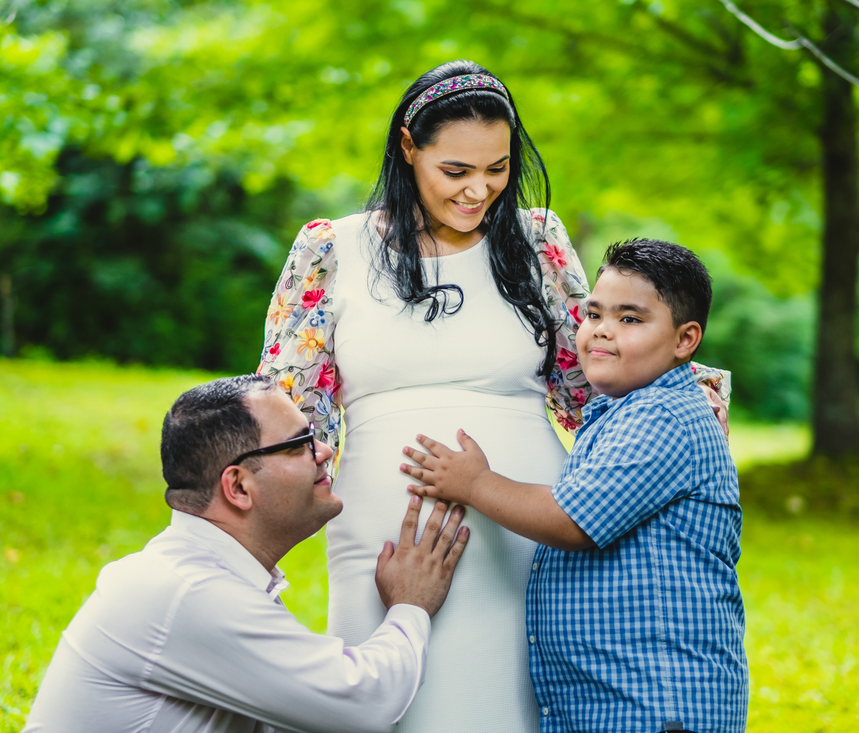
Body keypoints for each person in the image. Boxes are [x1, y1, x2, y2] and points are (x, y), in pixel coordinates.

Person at [257, 61, 730, 732]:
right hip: (388, 535)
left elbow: (596, 372)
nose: (480, 189)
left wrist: (700, 406)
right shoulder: (335, 248)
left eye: (498, 168)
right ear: (408, 146)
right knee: (393, 700)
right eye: (457, 171)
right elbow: (289, 411)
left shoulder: (535, 242)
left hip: (530, 536)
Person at [402, 239, 748, 733]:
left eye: (630, 319)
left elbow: (572, 521)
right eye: (593, 314)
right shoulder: (620, 411)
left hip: (657, 703)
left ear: (685, 340)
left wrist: (475, 483)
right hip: (607, 701)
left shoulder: (664, 415)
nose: (602, 331)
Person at [23, 374, 470, 733]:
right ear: (238, 487)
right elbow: (365, 707)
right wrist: (411, 604)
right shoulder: (190, 592)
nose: (326, 451)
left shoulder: (202, 576)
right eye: (299, 445)